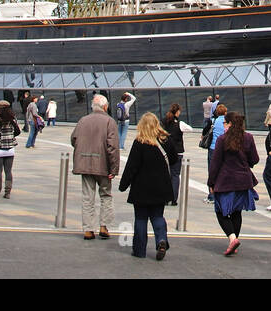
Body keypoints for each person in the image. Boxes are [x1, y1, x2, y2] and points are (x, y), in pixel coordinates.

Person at [118, 113, 174, 260]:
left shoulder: (139, 142)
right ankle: (161, 239)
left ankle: (139, 251)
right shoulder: (165, 141)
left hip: (141, 188)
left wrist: (123, 185)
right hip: (161, 187)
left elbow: (131, 167)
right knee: (157, 216)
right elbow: (174, 158)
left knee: (141, 219)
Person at [207, 112, 260, 256]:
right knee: (237, 212)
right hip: (243, 181)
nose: (223, 125)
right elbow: (254, 159)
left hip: (225, 181)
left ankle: (232, 238)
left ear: (230, 124)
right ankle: (234, 242)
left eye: (225, 123)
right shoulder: (248, 137)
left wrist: (211, 182)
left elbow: (215, 163)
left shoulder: (222, 139)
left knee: (221, 211)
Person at [71, 94, 119, 240]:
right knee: (105, 195)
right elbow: (113, 147)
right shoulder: (109, 122)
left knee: (87, 197)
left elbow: (74, 139)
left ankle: (88, 229)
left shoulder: (83, 120)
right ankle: (104, 226)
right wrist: (114, 169)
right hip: (103, 165)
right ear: (105, 107)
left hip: (85, 164)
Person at [0, 100, 21, 198]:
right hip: (10, 149)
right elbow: (17, 131)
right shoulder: (13, 119)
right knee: (8, 171)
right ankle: (7, 192)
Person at [162, 102, 185, 204]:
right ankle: (173, 199)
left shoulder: (164, 121)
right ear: (178, 111)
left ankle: (165, 198)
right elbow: (190, 129)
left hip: (165, 151)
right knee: (175, 175)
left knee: (166, 175)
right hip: (177, 152)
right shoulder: (179, 123)